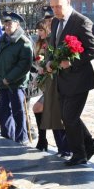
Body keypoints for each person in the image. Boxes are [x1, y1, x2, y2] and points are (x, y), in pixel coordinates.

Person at [47, 0, 94, 166]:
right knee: (67, 117)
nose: (55, 10)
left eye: (58, 6)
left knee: (69, 117)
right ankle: (90, 145)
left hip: (79, 80)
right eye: (52, 7)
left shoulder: (81, 22)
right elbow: (54, 46)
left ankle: (80, 154)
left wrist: (71, 63)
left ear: (68, 2)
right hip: (62, 79)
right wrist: (50, 62)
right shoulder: (55, 21)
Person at [0, 11, 32, 144]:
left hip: (16, 83)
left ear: (17, 24)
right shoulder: (2, 39)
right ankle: (7, 136)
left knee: (18, 112)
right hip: (2, 82)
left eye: (10, 23)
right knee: (4, 111)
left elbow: (24, 65)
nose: (7, 26)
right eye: (6, 23)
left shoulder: (23, 42)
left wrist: (9, 78)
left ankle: (22, 138)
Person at [33, 19, 70, 157]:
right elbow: (37, 62)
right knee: (50, 113)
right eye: (38, 30)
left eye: (41, 30)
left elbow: (54, 62)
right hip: (46, 83)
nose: (39, 33)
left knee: (54, 114)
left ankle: (66, 147)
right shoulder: (39, 43)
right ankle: (48, 142)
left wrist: (44, 66)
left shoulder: (51, 43)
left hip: (54, 83)